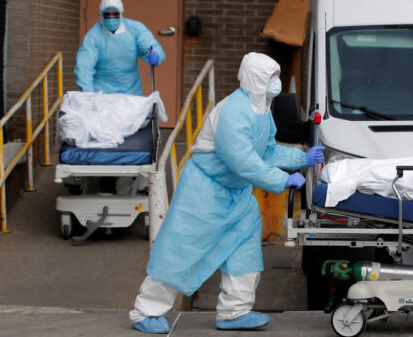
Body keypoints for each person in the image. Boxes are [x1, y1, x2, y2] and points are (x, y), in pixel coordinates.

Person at [129, 52, 324, 333]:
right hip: (205, 190)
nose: (276, 83)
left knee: (244, 251)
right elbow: (240, 159)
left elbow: (266, 150)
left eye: (277, 76)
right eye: (271, 77)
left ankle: (235, 311)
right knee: (181, 250)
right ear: (255, 79)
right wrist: (280, 181)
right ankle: (145, 312)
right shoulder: (234, 110)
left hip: (237, 194)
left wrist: (301, 158)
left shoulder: (262, 110)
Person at [75, 0, 165, 96]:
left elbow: (148, 48)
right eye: (107, 14)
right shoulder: (93, 36)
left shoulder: (135, 30)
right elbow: (84, 67)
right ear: (101, 15)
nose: (111, 18)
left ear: (121, 14)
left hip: (131, 92)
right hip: (101, 94)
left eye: (115, 14)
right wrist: (88, 94)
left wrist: (154, 54)